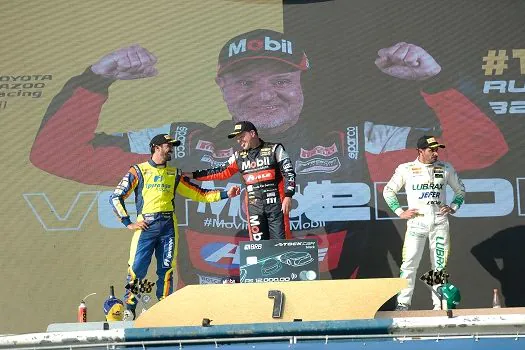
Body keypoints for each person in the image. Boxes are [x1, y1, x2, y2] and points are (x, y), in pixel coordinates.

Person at [30, 29, 507, 285]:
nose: (264, 95)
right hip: (211, 319)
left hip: (337, 316)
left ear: (302, 82)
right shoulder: (180, 143)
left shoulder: (359, 142)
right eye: (245, 81)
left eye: (280, 80)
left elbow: (480, 150)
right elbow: (59, 154)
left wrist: (437, 80)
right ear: (221, 86)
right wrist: (95, 78)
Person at [109, 133, 240, 319]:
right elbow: (115, 196)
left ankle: (164, 308)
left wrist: (226, 194)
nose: (171, 148)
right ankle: (130, 308)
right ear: (156, 147)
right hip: (146, 225)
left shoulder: (174, 173)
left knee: (167, 268)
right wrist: (128, 222)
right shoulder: (138, 171)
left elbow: (199, 194)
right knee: (137, 268)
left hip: (168, 226)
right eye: (168, 145)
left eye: (172, 145)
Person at [382, 135, 465, 311]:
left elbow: (460, 191)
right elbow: (388, 191)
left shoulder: (445, 168)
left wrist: (453, 207)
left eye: (437, 150)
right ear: (420, 151)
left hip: (440, 223)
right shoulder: (406, 169)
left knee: (438, 266)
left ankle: (439, 305)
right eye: (431, 150)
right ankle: (403, 304)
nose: (436, 153)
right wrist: (400, 211)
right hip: (416, 224)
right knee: (409, 264)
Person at [189, 121, 296, 241]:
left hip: (276, 206)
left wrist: (288, 195)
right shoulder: (238, 156)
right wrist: (193, 175)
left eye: (241, 137)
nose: (239, 141)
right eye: (237, 139)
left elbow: (289, 173)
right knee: (258, 247)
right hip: (254, 208)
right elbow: (220, 171)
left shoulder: (275, 149)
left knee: (282, 243)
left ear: (252, 133)